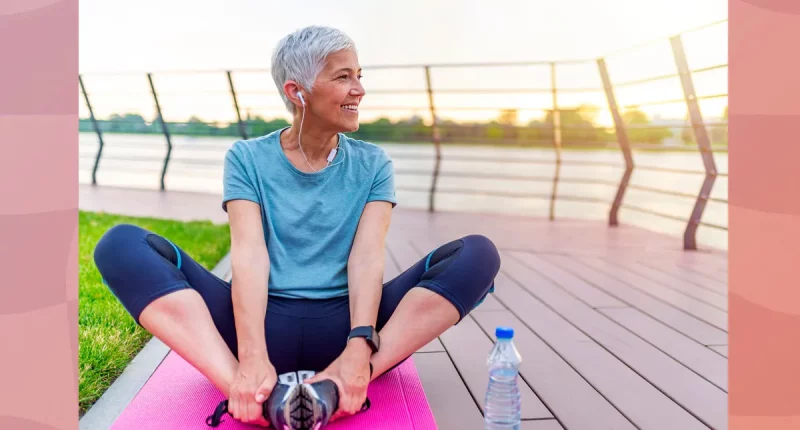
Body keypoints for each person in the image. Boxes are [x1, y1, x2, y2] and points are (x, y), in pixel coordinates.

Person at [93, 25, 501, 430]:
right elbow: (250, 255)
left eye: (359, 76)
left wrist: (360, 346)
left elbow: (367, 257)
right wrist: (252, 357)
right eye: (343, 77)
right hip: (257, 326)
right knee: (120, 244)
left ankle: (342, 383)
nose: (359, 89)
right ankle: (247, 390)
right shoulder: (247, 158)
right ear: (296, 92)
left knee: (478, 255)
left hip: (347, 329)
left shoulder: (374, 164)